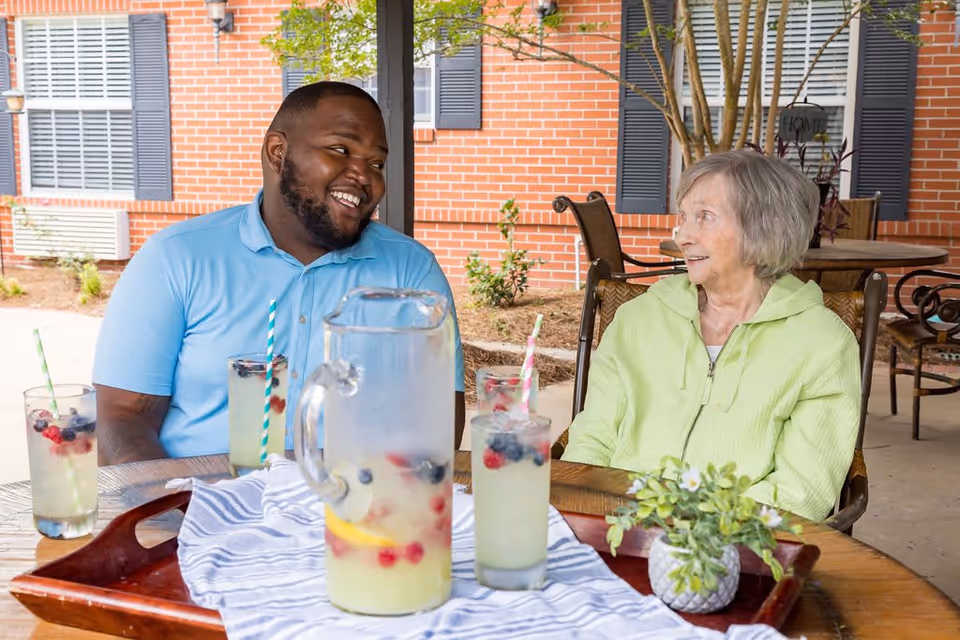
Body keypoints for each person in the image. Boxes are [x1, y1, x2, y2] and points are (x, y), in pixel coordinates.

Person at [93, 81, 465, 465]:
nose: (364, 176)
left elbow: (438, 429)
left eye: (376, 163)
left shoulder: (411, 273)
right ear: (277, 152)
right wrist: (184, 515)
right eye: (341, 150)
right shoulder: (175, 258)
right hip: (197, 508)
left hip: (352, 510)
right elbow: (121, 420)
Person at [562, 149, 860, 522]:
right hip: (615, 531)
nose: (683, 236)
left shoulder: (823, 345)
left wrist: (693, 539)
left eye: (704, 217)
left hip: (728, 553)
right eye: (683, 217)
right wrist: (585, 519)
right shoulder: (636, 321)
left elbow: (800, 491)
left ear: (764, 228)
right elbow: (592, 440)